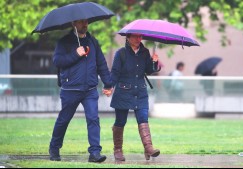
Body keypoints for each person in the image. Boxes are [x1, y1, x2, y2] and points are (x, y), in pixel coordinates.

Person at [49, 19, 113, 163]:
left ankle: (95, 153)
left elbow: (101, 63)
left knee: (93, 119)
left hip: (90, 89)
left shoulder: (93, 41)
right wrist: (75, 54)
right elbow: (57, 61)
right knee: (63, 120)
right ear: (73, 24)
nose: (85, 24)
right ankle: (54, 148)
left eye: (86, 22)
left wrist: (108, 83)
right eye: (81, 22)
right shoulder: (64, 42)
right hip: (70, 89)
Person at [109, 33, 160, 161]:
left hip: (140, 92)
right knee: (120, 121)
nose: (138, 39)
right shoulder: (120, 53)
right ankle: (118, 150)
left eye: (140, 37)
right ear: (128, 38)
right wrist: (109, 86)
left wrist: (154, 62)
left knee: (143, 119)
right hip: (123, 92)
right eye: (135, 37)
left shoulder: (145, 52)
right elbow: (115, 72)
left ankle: (148, 148)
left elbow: (149, 70)